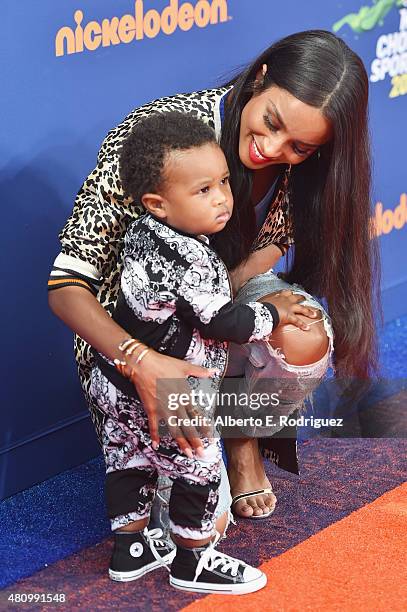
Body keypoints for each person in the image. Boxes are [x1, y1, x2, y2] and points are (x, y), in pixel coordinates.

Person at [48, 30, 380, 522]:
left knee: (305, 334)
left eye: (300, 147)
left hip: (219, 310)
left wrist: (237, 306)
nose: (272, 148)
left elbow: (275, 240)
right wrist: (142, 360)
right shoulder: (159, 137)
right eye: (270, 122)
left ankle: (241, 440)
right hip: (137, 331)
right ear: (260, 77)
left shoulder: (305, 168)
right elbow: (66, 287)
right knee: (197, 521)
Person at [91, 111, 319, 592]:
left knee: (128, 459)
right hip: (169, 383)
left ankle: (129, 549)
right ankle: (193, 559)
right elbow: (225, 322)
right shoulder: (191, 257)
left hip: (113, 374)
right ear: (157, 203)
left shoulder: (140, 235)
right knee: (198, 464)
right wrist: (274, 313)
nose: (223, 198)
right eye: (203, 191)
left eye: (222, 183)